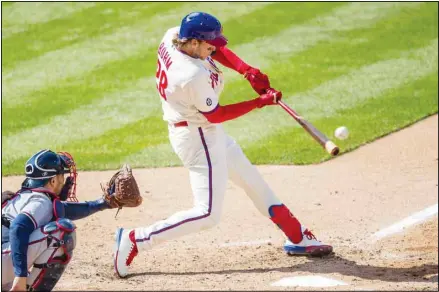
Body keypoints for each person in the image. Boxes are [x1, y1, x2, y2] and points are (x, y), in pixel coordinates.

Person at [113, 12, 333, 278]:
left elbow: (219, 51)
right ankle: (136, 239)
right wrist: (259, 103)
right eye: (208, 44)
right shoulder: (190, 75)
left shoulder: (175, 36)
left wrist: (247, 71)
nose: (214, 47)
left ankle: (297, 236)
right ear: (193, 43)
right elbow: (215, 114)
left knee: (252, 181)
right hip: (198, 138)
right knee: (207, 214)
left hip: (204, 131)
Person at [1, 149, 115, 291]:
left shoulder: (25, 197)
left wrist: (103, 203)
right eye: (62, 175)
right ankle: (21, 286)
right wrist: (20, 276)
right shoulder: (40, 201)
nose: (65, 180)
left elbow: (66, 209)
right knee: (61, 232)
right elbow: (18, 227)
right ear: (53, 180)